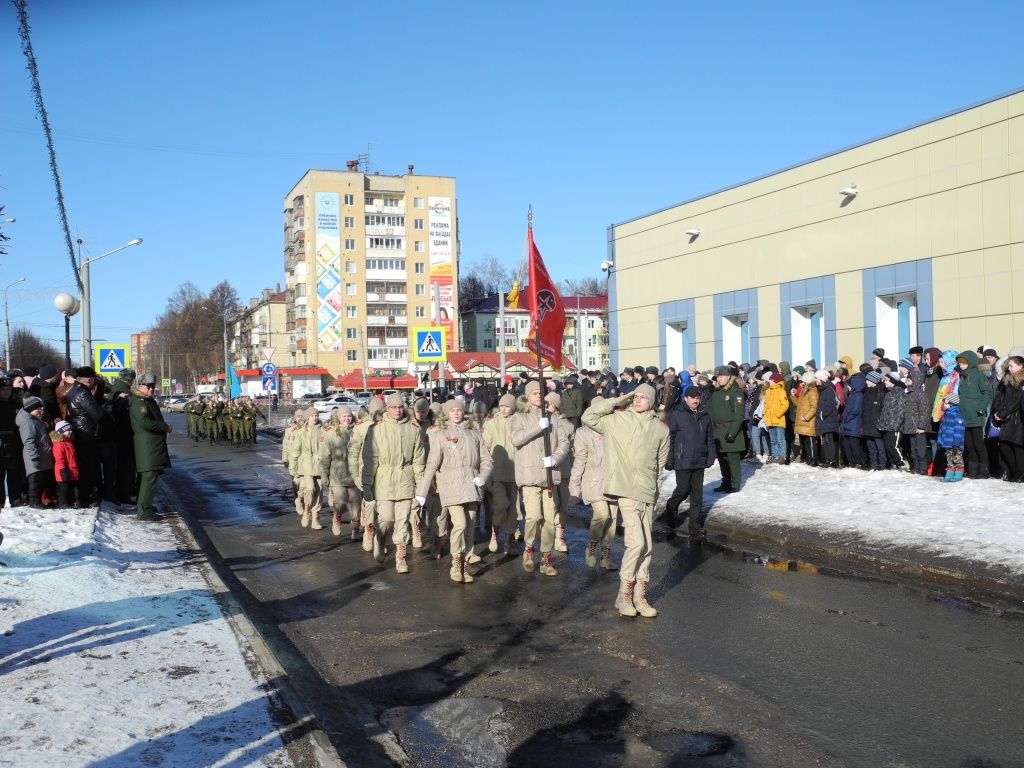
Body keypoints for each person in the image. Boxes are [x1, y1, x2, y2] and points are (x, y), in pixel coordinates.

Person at [582, 383, 668, 618]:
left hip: (647, 492)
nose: (638, 400)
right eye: (635, 396)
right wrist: (619, 400)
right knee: (636, 543)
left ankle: (641, 597)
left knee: (647, 546)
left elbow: (660, 465)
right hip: (625, 490)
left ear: (651, 401)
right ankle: (624, 595)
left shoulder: (660, 429)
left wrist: (655, 489)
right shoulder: (616, 421)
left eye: (643, 397)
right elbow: (588, 416)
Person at [418, 398, 493, 583]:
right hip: (450, 486)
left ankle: (465, 564)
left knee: (469, 527)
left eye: (459, 410)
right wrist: (422, 491)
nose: (456, 413)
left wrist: (482, 476)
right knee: (459, 523)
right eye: (452, 411)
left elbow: (487, 460)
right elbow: (432, 464)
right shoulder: (441, 435)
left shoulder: (474, 434)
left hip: (471, 486)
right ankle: (456, 561)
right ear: (447, 414)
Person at [362, 393, 426, 573]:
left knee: (402, 520)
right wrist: (367, 484)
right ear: (387, 409)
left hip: (405, 480)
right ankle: (380, 538)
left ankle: (401, 557)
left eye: (400, 407)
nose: (397, 411)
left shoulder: (413, 429)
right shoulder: (376, 429)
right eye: (393, 407)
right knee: (386, 518)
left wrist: (421, 487)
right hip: (384, 479)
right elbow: (370, 458)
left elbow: (418, 461)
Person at [511, 380, 570, 576]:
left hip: (549, 475)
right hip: (529, 475)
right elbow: (516, 439)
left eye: (540, 392)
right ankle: (529, 548)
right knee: (534, 516)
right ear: (527, 395)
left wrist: (555, 458)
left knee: (549, 520)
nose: (538, 395)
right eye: (534, 393)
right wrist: (538, 426)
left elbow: (564, 442)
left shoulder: (552, 417)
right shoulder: (519, 417)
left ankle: (546, 559)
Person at [570, 396, 618, 569]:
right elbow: (580, 459)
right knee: (602, 515)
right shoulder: (583, 433)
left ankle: (606, 557)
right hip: (594, 480)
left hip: (614, 481)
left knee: (612, 520)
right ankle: (591, 547)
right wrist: (575, 482)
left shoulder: (614, 429)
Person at [664, 386, 716, 540]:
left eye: (697, 398)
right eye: (692, 397)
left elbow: (710, 438)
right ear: (686, 398)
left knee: (697, 495)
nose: (695, 400)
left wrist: (710, 456)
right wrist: (669, 459)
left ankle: (695, 528)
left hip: (699, 460)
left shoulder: (704, 415)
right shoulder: (676, 414)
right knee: (683, 489)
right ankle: (671, 508)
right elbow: (670, 438)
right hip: (682, 459)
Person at [482, 393, 520, 555]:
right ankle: (495, 534)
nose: (504, 409)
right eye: (502, 406)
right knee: (500, 504)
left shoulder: (519, 422)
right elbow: (485, 447)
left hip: (516, 473)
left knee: (514, 511)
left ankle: (509, 542)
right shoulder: (491, 424)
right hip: (497, 472)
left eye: (508, 406)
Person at [130, 373, 171, 520]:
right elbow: (145, 423)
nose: (151, 390)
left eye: (153, 387)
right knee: (149, 477)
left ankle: (143, 505)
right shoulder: (139, 402)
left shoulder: (147, 400)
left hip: (151, 445)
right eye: (148, 387)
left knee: (148, 477)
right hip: (147, 445)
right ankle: (144, 511)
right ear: (141, 386)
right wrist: (164, 427)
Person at [319, 406, 360, 537]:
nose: (347, 419)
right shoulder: (330, 433)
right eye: (344, 417)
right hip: (337, 473)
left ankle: (355, 529)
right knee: (341, 502)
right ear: (339, 418)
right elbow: (324, 456)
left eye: (349, 416)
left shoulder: (358, 430)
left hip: (355, 473)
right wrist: (324, 475)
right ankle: (337, 517)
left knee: (356, 504)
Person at [65, 366, 103, 507]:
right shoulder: (83, 393)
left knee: (85, 468)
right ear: (88, 380)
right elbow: (97, 414)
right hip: (86, 433)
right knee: (87, 468)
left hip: (81, 431)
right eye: (93, 378)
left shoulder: (74, 390)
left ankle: (83, 498)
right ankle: (84, 499)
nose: (94, 381)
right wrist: (106, 408)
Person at [956, 350, 994, 478]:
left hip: (976, 415)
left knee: (978, 444)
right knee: (969, 445)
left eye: (963, 363)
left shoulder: (979, 375)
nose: (960, 365)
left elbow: (987, 393)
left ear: (970, 362)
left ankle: (983, 471)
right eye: (959, 363)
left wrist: (980, 409)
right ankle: (973, 471)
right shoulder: (962, 376)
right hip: (964, 416)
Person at [710, 366, 746, 492]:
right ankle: (725, 482)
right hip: (718, 432)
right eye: (717, 377)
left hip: (730, 430)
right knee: (722, 460)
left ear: (728, 377)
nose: (718, 379)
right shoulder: (717, 392)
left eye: (721, 377)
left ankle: (735, 484)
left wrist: (732, 433)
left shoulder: (735, 392)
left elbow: (739, 415)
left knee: (733, 459)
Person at [17, 395, 54, 508]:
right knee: (35, 482)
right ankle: (34, 501)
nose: (41, 410)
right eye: (38, 408)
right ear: (30, 409)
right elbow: (29, 441)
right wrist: (34, 456)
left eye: (41, 408)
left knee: (41, 480)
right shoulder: (28, 423)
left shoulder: (34, 419)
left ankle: (39, 500)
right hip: (35, 458)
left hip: (41, 456)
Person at [991, 355, 1024, 482]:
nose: (1009, 368)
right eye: (1008, 366)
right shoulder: (1007, 380)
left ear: (1021, 366)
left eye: (1012, 366)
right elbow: (1000, 397)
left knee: (1017, 447)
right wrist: (997, 411)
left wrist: (1003, 413)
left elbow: (1017, 402)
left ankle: (1019, 474)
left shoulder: (1021, 381)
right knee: (1004, 446)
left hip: (1018, 419)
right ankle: (1014, 471)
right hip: (1006, 418)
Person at [295, 408, 325, 529]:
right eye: (312, 416)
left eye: (316, 415)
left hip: (320, 464)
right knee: (310, 488)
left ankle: (316, 517)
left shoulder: (323, 431)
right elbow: (296, 450)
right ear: (308, 417)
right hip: (306, 464)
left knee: (320, 489)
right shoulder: (301, 432)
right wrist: (294, 468)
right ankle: (307, 509)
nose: (314, 418)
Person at [937, 393, 966, 482]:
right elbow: (942, 430)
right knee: (949, 460)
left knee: (957, 460)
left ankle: (958, 475)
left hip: (955, 443)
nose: (943, 405)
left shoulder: (957, 414)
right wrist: (940, 441)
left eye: (945, 403)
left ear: (950, 404)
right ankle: (949, 475)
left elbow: (959, 431)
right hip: (947, 443)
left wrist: (956, 444)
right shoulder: (946, 414)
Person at [51, 419, 79, 508]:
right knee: (63, 489)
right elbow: (60, 459)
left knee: (71, 487)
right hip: (63, 471)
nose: (70, 431)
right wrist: (63, 470)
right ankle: (62, 503)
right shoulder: (59, 444)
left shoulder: (68, 442)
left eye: (70, 429)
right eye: (67, 430)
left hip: (72, 470)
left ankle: (70, 502)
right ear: (61, 431)